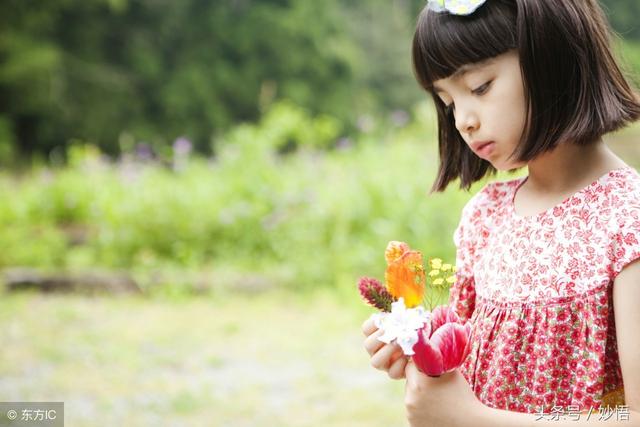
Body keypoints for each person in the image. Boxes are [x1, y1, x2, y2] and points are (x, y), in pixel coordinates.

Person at [362, 0, 640, 425]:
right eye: (448, 102)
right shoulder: (485, 216)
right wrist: (419, 351)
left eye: (479, 87)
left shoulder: (627, 221)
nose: (463, 121)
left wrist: (469, 417)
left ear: (551, 55)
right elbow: (469, 370)